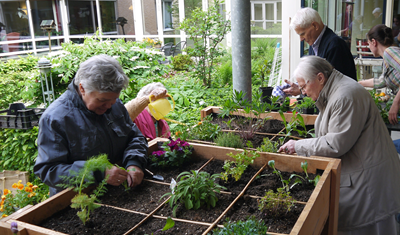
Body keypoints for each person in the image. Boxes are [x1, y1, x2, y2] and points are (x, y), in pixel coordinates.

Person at [278, 56, 400, 235]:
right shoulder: (336, 89)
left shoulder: (345, 96)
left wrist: (298, 146)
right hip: (365, 174)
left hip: (368, 183)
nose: (303, 92)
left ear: (320, 78)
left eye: (304, 86)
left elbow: (335, 144)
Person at [34, 54, 148, 196]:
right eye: (102, 100)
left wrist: (134, 162)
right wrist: (98, 172)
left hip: (119, 191)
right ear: (82, 88)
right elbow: (48, 170)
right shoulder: (56, 118)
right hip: (79, 201)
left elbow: (135, 137)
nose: (108, 106)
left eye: (113, 100)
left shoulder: (115, 105)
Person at [283, 7, 357, 96]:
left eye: (302, 34)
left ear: (315, 26)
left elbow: (331, 85)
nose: (301, 39)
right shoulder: (314, 42)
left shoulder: (335, 46)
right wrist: (301, 87)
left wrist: (302, 90)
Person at [358, 24, 400, 125]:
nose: (369, 47)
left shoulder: (389, 52)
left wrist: (395, 103)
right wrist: (358, 83)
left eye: (368, 43)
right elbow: (382, 81)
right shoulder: (388, 56)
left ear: (374, 42)